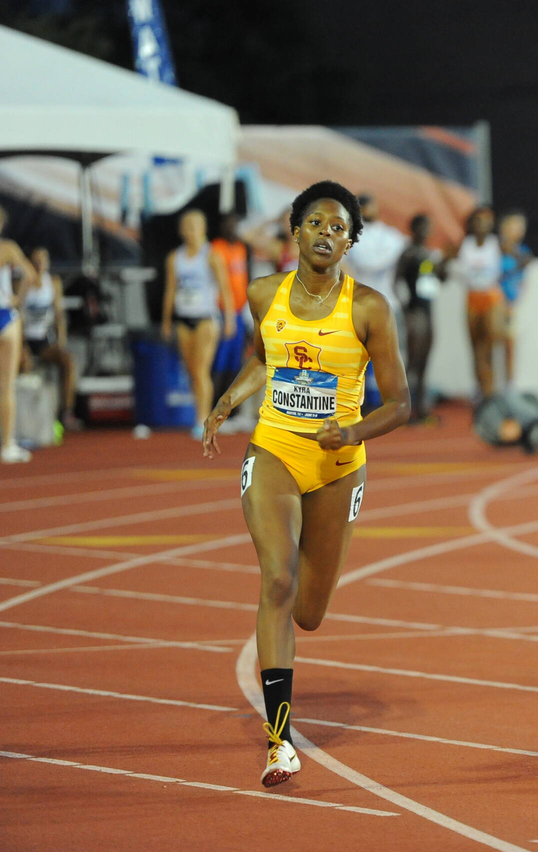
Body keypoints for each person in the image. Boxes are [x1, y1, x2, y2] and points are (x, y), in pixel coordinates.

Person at [201, 180, 410, 787]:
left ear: (350, 242)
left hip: (340, 464)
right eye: (315, 222)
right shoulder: (264, 293)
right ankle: (279, 740)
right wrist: (226, 403)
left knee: (311, 612)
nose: (326, 233)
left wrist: (351, 433)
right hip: (275, 447)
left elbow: (399, 404)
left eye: (338, 227)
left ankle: (289, 666)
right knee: (278, 578)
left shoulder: (369, 307)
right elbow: (265, 357)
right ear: (294, 231)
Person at [162, 209, 236, 439]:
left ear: (203, 229)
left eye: (194, 226)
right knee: (191, 370)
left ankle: (203, 418)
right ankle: (199, 413)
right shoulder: (175, 258)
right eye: (187, 226)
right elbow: (171, 289)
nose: (190, 231)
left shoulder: (211, 255)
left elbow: (225, 287)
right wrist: (166, 321)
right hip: (184, 318)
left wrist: (229, 318)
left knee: (202, 369)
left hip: (206, 318)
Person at [21, 247, 81, 429]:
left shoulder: (53, 283)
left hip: (42, 341)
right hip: (25, 340)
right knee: (23, 365)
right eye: (36, 260)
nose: (39, 264)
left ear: (47, 263)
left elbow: (59, 314)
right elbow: (17, 310)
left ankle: (66, 412)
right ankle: (25, 419)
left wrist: (61, 338)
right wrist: (21, 346)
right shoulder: (24, 283)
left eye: (43, 260)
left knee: (68, 360)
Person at [449, 205, 503, 399]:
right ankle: (480, 387)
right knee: (475, 346)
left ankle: (491, 386)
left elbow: (522, 257)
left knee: (489, 345)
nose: (482, 225)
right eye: (478, 221)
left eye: (487, 221)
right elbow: (446, 259)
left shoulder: (496, 243)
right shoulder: (465, 244)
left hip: (491, 297)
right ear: (472, 224)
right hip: (472, 297)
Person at [395, 214, 442, 422]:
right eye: (423, 227)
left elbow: (439, 279)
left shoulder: (430, 255)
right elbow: (396, 282)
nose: (426, 232)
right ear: (413, 230)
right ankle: (402, 409)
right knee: (412, 362)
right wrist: (406, 309)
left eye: (428, 227)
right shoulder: (408, 254)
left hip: (428, 310)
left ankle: (422, 408)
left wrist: (444, 265)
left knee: (424, 361)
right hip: (414, 311)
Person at [210, 214, 255, 432]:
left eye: (236, 225)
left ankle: (233, 412)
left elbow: (246, 277)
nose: (233, 229)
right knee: (218, 363)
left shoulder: (241, 248)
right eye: (229, 225)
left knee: (236, 364)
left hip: (240, 310)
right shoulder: (216, 248)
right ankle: (214, 411)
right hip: (221, 311)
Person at [0, 206, 37, 463]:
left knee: (7, 385)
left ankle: (8, 444)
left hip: (7, 315)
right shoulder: (8, 248)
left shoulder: (8, 248)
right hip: (6, 315)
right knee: (6, 386)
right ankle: (7, 445)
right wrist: (17, 299)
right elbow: (31, 275)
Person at [498, 209, 533, 389]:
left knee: (510, 344)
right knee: (489, 345)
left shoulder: (523, 252)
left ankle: (509, 384)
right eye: (515, 226)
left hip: (511, 305)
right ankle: (486, 385)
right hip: (494, 303)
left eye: (521, 227)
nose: (519, 231)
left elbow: (522, 281)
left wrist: (514, 301)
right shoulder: (496, 250)